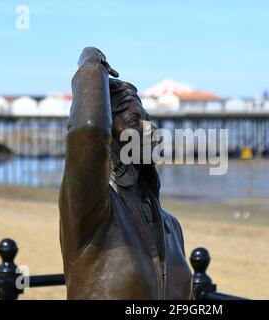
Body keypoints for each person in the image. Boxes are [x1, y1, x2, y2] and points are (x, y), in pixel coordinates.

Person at [58, 47, 193, 299]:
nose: (150, 128)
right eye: (133, 121)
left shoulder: (171, 227)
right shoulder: (91, 211)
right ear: (110, 135)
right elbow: (88, 131)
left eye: (148, 118)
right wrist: (92, 64)